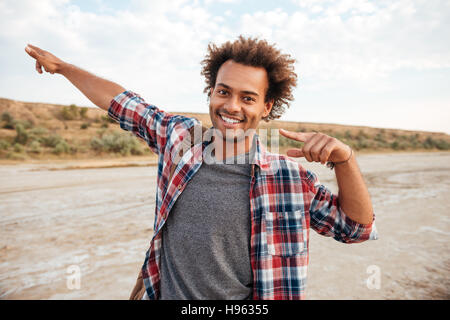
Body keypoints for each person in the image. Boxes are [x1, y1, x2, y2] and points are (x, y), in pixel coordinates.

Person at [25, 36, 378, 300]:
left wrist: (345, 160)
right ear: (210, 92)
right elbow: (122, 103)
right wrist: (64, 68)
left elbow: (355, 229)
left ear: (268, 106)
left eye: (248, 97)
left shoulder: (289, 178)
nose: (232, 106)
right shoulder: (179, 139)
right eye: (223, 92)